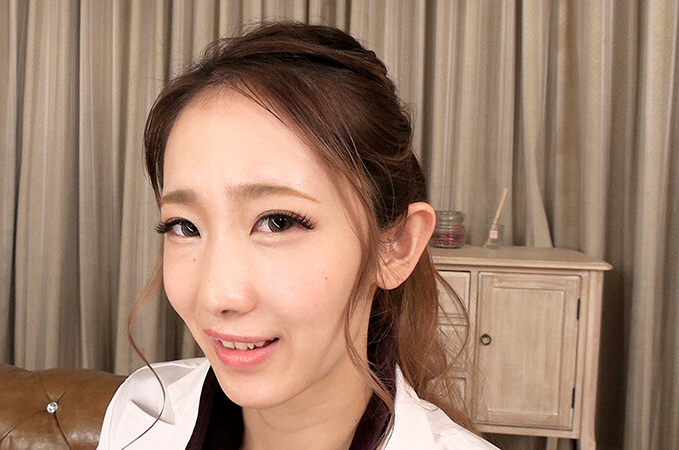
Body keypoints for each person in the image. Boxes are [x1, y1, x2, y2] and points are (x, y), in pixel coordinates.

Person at [98, 22, 498, 450]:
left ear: (396, 246)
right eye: (185, 226)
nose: (218, 296)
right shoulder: (140, 413)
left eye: (278, 222)